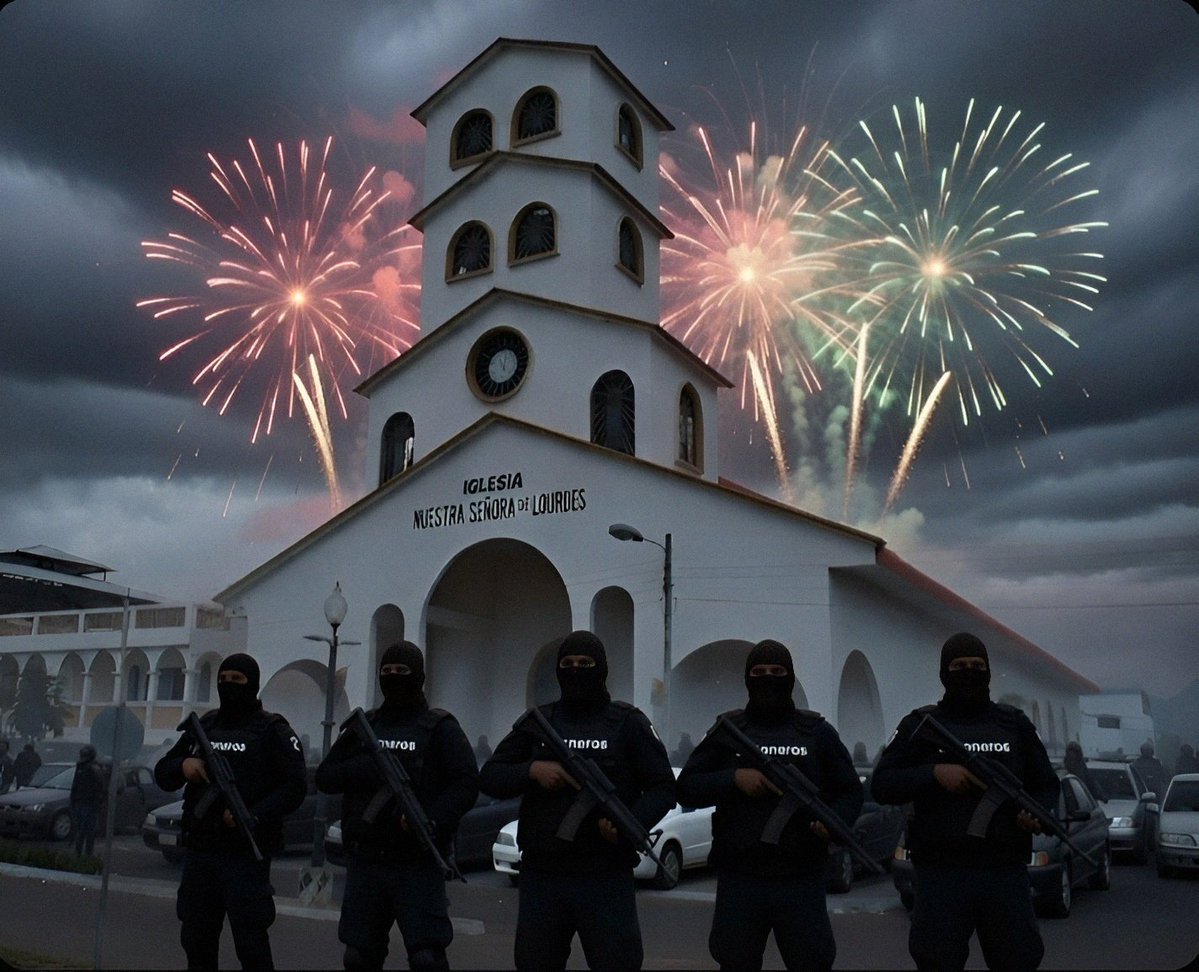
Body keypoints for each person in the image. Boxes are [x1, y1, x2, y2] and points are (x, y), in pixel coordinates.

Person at [479, 630, 675, 972]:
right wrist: (533, 770)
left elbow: (663, 788)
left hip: (605, 875)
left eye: (585, 663)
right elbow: (492, 776)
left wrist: (629, 823)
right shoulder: (540, 724)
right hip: (544, 874)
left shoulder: (627, 723)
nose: (575, 670)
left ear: (601, 669)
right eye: (567, 664)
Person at [872, 632, 1059, 971]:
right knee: (936, 960)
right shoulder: (922, 726)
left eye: (977, 666)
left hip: (1004, 872)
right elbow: (882, 785)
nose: (969, 672)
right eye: (960, 666)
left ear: (988, 671)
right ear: (945, 673)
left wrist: (1036, 814)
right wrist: (934, 774)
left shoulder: (1013, 725)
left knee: (1019, 959)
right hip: (941, 873)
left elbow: (1046, 786)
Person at [677, 639, 862, 972]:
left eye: (777, 672)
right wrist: (735, 779)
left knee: (811, 961)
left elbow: (850, 791)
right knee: (735, 961)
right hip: (740, 878)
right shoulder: (729, 731)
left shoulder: (816, 733)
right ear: (747, 678)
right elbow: (687, 787)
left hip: (801, 878)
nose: (768, 678)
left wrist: (834, 822)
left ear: (790, 677)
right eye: (759, 672)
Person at [316, 642, 479, 972]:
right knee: (358, 956)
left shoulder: (440, 728)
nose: (393, 678)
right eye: (386, 672)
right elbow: (326, 776)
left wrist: (432, 818)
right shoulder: (367, 727)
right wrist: (361, 768)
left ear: (418, 676)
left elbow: (466, 785)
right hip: (367, 860)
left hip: (417, 862)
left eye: (402, 672)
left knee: (427, 958)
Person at [155, 652, 307, 971]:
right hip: (201, 851)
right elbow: (163, 771)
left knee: (250, 944)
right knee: (196, 939)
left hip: (245, 856)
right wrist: (184, 765)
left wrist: (252, 814)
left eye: (237, 680)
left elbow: (295, 787)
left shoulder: (272, 730)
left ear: (252, 684)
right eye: (223, 679)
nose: (228, 685)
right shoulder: (204, 726)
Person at [70, 744, 107, 856]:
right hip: (88, 804)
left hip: (84, 803)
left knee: (82, 831)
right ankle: (84, 855)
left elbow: (75, 786)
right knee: (87, 832)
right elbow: (102, 785)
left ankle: (82, 855)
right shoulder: (91, 767)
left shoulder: (82, 767)